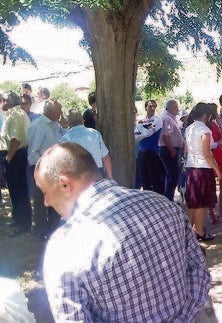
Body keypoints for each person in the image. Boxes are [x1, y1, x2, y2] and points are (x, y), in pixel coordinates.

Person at [37, 142, 210, 321]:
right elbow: (199, 270)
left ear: (65, 184)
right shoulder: (163, 204)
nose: (46, 202)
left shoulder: (65, 246)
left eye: (44, 191)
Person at [184, 103, 221, 241]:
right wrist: (217, 169)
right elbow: (207, 153)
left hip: (190, 166)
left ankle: (189, 230)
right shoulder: (204, 130)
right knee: (201, 202)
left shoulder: (189, 128)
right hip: (203, 168)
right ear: (207, 115)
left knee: (192, 201)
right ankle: (199, 230)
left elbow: (186, 150)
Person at [27, 100, 64, 239]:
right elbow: (33, 153)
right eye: (59, 109)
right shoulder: (39, 126)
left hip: (54, 167)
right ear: (51, 111)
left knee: (54, 200)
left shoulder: (55, 124)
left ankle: (52, 229)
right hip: (42, 167)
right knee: (41, 201)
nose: (61, 112)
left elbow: (61, 141)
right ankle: (40, 230)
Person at [0, 91, 33, 237]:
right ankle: (17, 219)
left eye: (4, 100)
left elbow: (16, 139)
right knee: (14, 190)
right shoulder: (13, 114)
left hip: (15, 155)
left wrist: (8, 158)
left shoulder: (16, 115)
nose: (2, 102)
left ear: (9, 101)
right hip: (13, 155)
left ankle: (23, 224)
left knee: (19, 190)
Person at [61, 110, 113, 178]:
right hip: (97, 173)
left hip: (79, 176)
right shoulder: (94, 133)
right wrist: (110, 178)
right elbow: (105, 157)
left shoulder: (64, 140)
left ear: (68, 122)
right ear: (83, 120)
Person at [134, 99, 165, 195]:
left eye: (154, 106)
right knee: (145, 180)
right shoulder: (141, 121)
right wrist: (144, 132)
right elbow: (135, 137)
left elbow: (149, 132)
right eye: (150, 106)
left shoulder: (158, 119)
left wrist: (142, 131)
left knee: (156, 181)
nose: (152, 108)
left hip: (153, 153)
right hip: (142, 153)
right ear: (145, 107)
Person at [159, 99, 184, 201]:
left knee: (173, 175)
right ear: (169, 108)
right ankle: (168, 199)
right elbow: (166, 136)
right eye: (175, 107)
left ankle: (170, 198)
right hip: (169, 149)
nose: (177, 109)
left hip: (172, 149)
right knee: (172, 175)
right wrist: (173, 150)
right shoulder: (167, 119)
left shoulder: (172, 118)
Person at [208, 103, 222, 223]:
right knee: (211, 186)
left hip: (221, 154)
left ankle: (221, 211)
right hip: (212, 154)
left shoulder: (216, 124)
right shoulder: (206, 126)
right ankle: (212, 213)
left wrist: (219, 122)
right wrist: (220, 140)